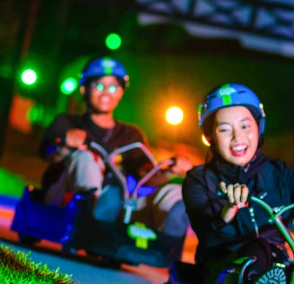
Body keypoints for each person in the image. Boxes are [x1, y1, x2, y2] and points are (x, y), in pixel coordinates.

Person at [182, 83, 294, 284]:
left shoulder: (281, 174)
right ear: (210, 137)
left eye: (245, 127)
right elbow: (208, 238)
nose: (237, 138)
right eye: (225, 129)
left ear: (259, 128)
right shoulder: (199, 179)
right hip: (220, 270)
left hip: (278, 266)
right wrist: (229, 209)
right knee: (258, 246)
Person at [37, 55, 189, 240]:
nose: (106, 92)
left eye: (114, 86)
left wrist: (172, 170)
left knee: (173, 193)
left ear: (121, 92)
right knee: (85, 158)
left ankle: (167, 237)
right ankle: (93, 212)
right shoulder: (68, 123)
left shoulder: (131, 135)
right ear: (84, 89)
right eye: (99, 85)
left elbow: (146, 175)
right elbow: (48, 154)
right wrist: (65, 146)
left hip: (119, 204)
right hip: (67, 197)